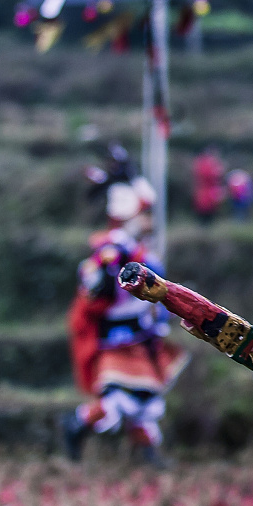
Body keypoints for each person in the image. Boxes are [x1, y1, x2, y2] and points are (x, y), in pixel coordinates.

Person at [63, 179, 187, 463]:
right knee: (117, 397)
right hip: (117, 336)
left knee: (145, 399)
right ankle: (75, 426)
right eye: (145, 215)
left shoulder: (138, 250)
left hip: (143, 335)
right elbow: (95, 287)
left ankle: (148, 455)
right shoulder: (113, 250)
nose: (149, 221)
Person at [192, 147, 226, 224]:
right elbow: (212, 175)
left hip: (207, 194)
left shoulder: (201, 163)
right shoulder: (207, 164)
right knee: (206, 216)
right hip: (207, 194)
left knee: (208, 216)